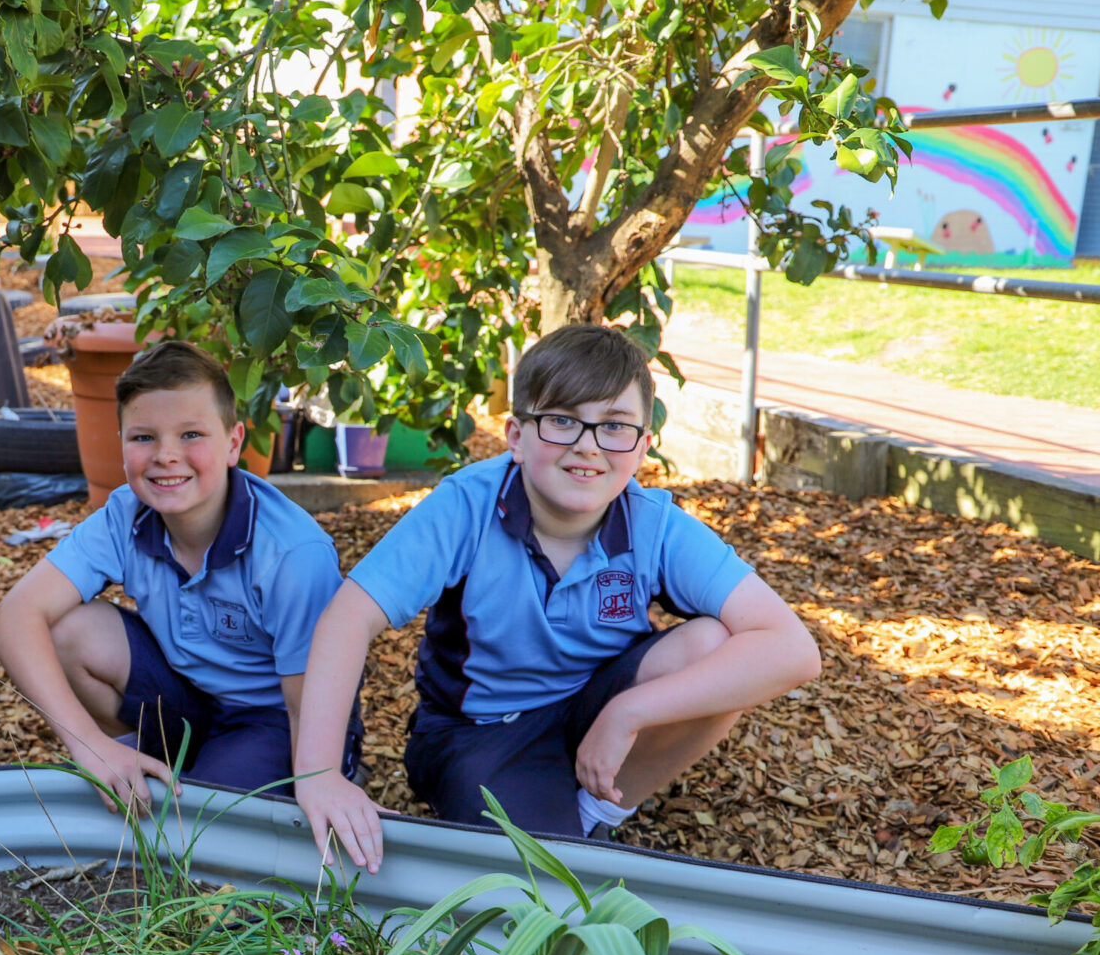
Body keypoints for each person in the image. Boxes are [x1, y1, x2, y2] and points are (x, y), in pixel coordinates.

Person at [293, 323, 822, 873]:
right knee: (543, 882)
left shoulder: (653, 523)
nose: (587, 446)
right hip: (479, 734)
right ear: (516, 437)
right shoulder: (467, 506)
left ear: (642, 447)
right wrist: (320, 775)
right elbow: (347, 618)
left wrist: (627, 712)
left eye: (614, 427)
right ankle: (552, 821)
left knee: (715, 642)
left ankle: (593, 811)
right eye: (562, 421)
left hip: (589, 709)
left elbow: (792, 649)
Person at [0, 340, 354, 811]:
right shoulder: (126, 513)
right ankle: (131, 760)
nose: (166, 455)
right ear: (120, 444)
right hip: (187, 699)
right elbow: (11, 620)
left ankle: (216, 778)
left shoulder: (291, 552)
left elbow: (308, 705)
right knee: (67, 630)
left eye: (191, 435)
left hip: (279, 717)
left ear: (234, 443)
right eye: (143, 437)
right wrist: (90, 746)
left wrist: (317, 782)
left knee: (203, 825)